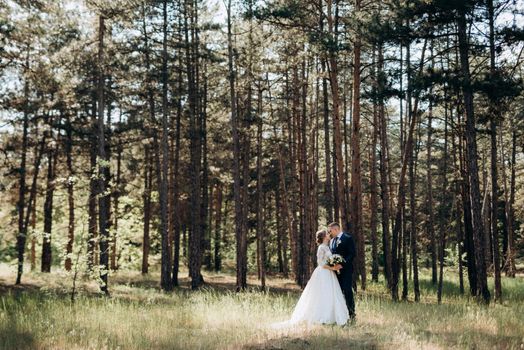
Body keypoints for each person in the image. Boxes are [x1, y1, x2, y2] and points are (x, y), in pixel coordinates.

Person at [273, 230, 349, 327]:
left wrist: (335, 263)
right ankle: (321, 317)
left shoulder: (327, 247)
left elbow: (328, 260)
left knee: (330, 293)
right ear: (324, 237)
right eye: (327, 234)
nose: (329, 235)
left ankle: (331, 317)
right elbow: (320, 263)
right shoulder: (321, 247)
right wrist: (333, 267)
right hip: (323, 273)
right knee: (323, 294)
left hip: (329, 273)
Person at [327, 222, 356, 320]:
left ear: (336, 229)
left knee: (347, 291)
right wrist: (332, 264)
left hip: (346, 270)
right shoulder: (331, 241)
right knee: (337, 293)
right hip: (335, 272)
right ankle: (340, 315)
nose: (330, 233)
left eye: (330, 231)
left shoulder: (347, 238)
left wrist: (342, 264)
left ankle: (352, 314)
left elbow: (352, 254)